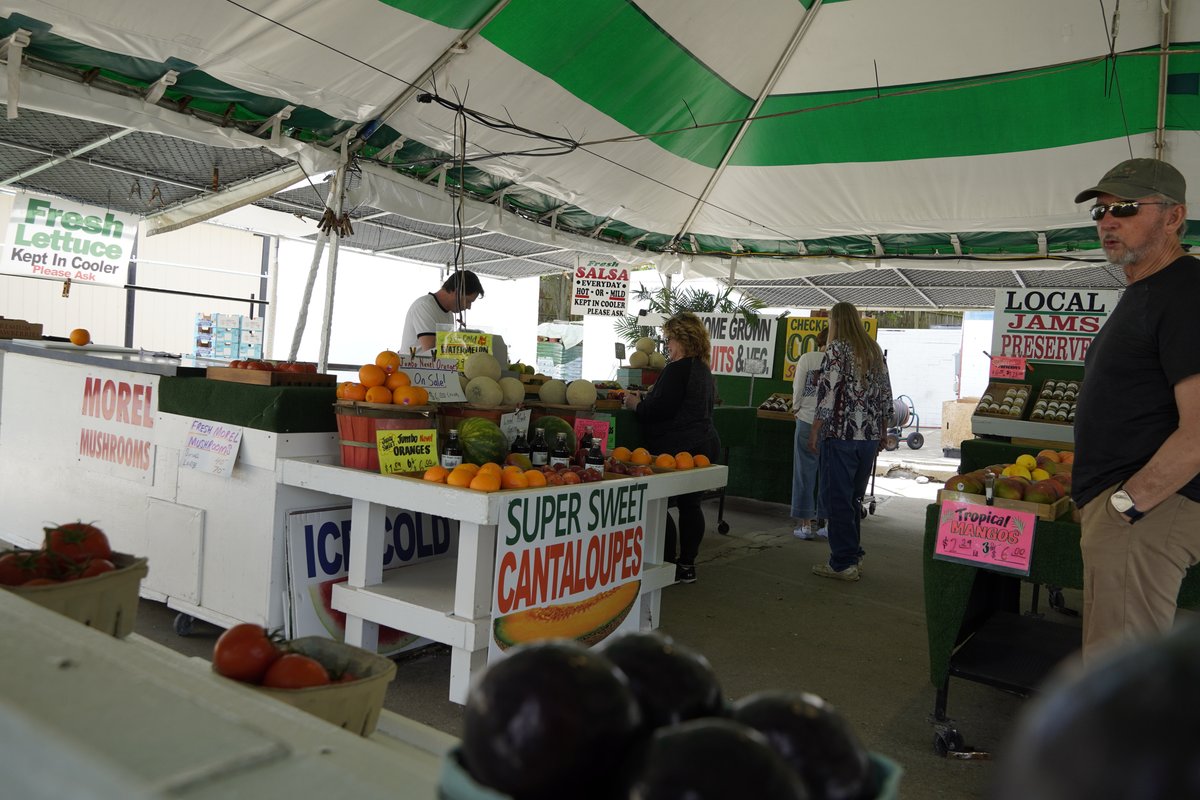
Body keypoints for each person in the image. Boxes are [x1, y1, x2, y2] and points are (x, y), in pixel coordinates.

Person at [1070, 157, 1200, 662]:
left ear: (1173, 217)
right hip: (1136, 512)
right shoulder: (1149, 291)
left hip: (1149, 513)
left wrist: (1124, 506)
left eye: (1123, 207)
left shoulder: (1185, 291)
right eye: (1100, 211)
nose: (1107, 221)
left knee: (1118, 681)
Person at [624, 311, 722, 584]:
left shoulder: (677, 369)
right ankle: (686, 565)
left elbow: (659, 410)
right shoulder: (702, 368)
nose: (666, 345)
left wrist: (636, 404)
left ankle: (665, 563)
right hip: (703, 444)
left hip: (677, 449)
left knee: (659, 503)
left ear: (682, 339)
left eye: (669, 340)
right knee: (691, 505)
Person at [808, 302, 892, 582]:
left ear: (835, 321)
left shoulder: (837, 348)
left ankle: (842, 563)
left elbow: (828, 392)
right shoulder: (873, 349)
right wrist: (882, 429)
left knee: (838, 500)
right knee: (853, 499)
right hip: (867, 438)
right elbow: (885, 394)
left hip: (841, 434)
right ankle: (852, 556)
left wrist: (816, 428)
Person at [791, 326, 829, 539]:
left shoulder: (807, 358)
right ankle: (829, 525)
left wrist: (796, 408)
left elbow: (798, 387)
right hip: (832, 425)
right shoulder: (841, 360)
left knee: (804, 473)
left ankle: (806, 525)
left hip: (806, 419)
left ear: (819, 341)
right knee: (831, 475)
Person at [400, 270, 485, 354]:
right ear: (457, 292)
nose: (469, 307)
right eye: (467, 301)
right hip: (415, 367)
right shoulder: (425, 306)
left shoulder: (449, 314)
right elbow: (431, 352)